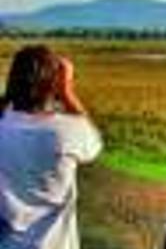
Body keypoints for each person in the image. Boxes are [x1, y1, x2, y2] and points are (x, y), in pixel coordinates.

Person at [0, 45, 103, 249]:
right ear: (53, 85)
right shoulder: (67, 130)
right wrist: (67, 93)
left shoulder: (3, 124)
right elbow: (94, 144)